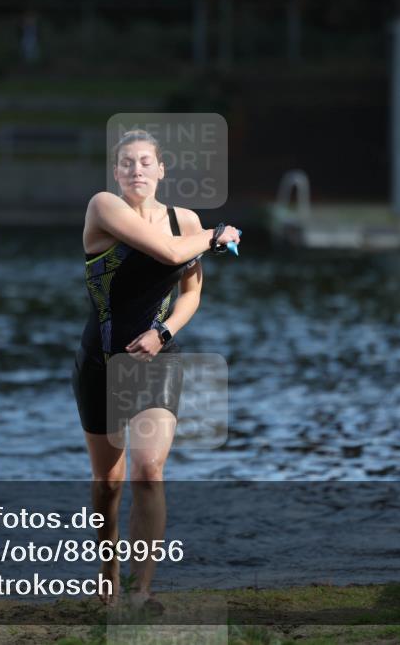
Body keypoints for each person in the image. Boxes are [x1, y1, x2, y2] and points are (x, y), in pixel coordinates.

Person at [72, 129, 240, 609]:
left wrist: (163, 333)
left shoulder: (184, 218)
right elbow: (167, 252)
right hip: (100, 361)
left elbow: (190, 293)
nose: (137, 171)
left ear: (162, 170)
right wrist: (215, 236)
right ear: (117, 172)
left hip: (156, 359)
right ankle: (107, 578)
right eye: (127, 163)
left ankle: (141, 590)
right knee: (108, 483)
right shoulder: (103, 207)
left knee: (149, 471)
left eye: (146, 162)